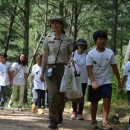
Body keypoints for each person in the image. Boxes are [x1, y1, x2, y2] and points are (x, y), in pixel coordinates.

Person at [41, 15, 73, 129]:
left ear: (61, 25)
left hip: (63, 68)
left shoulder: (68, 39)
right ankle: (53, 119)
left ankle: (59, 114)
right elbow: (45, 56)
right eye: (52, 23)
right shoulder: (47, 38)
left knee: (61, 95)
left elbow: (70, 54)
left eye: (57, 23)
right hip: (50, 68)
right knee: (52, 94)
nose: (54, 25)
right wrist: (41, 72)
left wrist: (71, 61)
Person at [86, 30, 122, 130]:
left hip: (106, 80)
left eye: (104, 39)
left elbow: (114, 67)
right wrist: (93, 81)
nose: (103, 41)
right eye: (100, 39)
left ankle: (105, 122)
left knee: (107, 99)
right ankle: (93, 121)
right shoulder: (90, 54)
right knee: (94, 102)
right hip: (93, 81)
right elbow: (88, 69)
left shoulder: (110, 53)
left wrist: (119, 81)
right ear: (96, 41)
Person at [70, 38, 88, 120]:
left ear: (85, 46)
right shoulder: (73, 54)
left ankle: (80, 113)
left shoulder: (87, 55)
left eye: (82, 45)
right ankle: (74, 111)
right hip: (74, 78)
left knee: (81, 95)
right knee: (74, 95)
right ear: (76, 45)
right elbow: (68, 64)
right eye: (79, 44)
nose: (81, 46)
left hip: (84, 78)